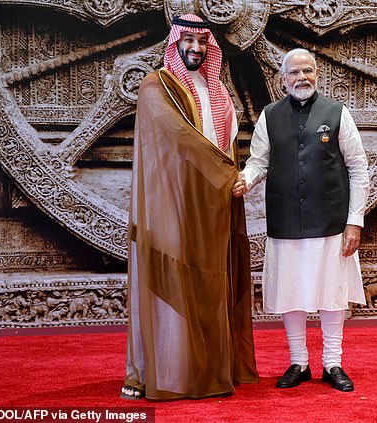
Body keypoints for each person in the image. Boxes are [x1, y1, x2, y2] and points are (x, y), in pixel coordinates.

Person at [121, 14, 258, 400]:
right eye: (190, 41)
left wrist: (231, 176)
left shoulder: (216, 88)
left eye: (203, 42)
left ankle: (209, 369)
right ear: (176, 42)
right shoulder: (157, 85)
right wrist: (224, 174)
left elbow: (226, 142)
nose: (196, 48)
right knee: (176, 280)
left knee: (211, 282)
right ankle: (167, 373)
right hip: (177, 204)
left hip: (214, 206)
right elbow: (180, 139)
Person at [232, 48, 369, 392]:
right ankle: (299, 362)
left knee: (332, 294)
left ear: (317, 75)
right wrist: (245, 179)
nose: (301, 78)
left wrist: (355, 221)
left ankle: (333, 363)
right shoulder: (269, 116)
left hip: (331, 222)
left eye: (308, 71)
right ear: (283, 80)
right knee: (291, 293)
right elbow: (259, 161)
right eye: (294, 73)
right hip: (286, 220)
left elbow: (358, 167)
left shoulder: (337, 113)